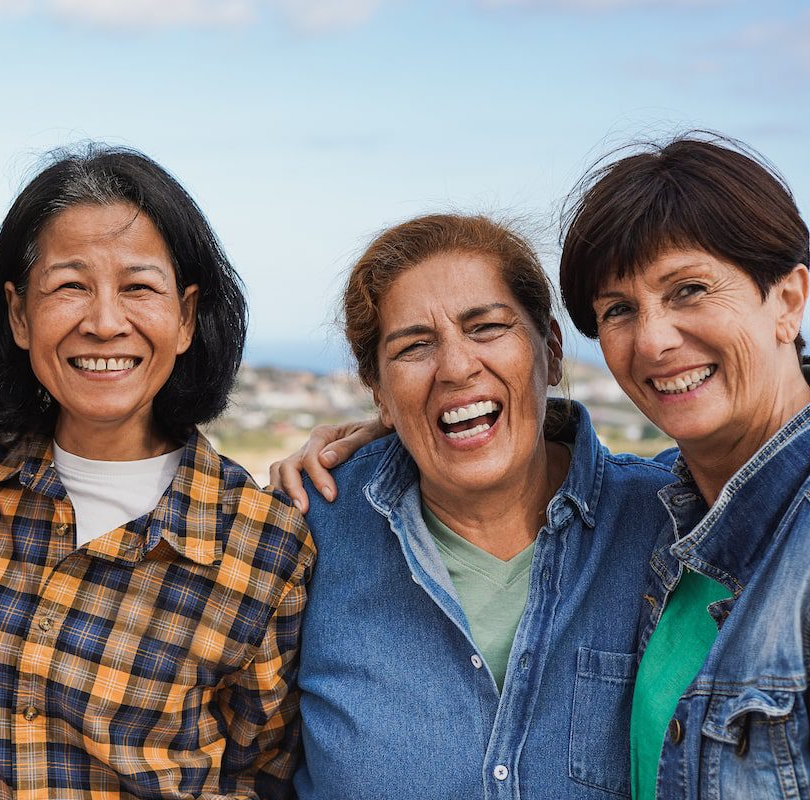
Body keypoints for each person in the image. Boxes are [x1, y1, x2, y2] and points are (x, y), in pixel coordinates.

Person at [0, 147, 315, 800]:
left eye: (138, 287)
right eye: (70, 286)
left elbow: (267, 771)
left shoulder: (264, 546)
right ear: (20, 314)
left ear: (187, 317)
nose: (105, 322)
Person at [280, 213, 674, 799]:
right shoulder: (306, 532)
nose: (458, 367)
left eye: (487, 328)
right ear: (378, 392)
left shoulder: (671, 521)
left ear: (553, 350)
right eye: (414, 347)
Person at [558, 135, 810, 799]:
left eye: (689, 290)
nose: (652, 341)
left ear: (787, 300)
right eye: (617, 309)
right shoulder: (662, 510)